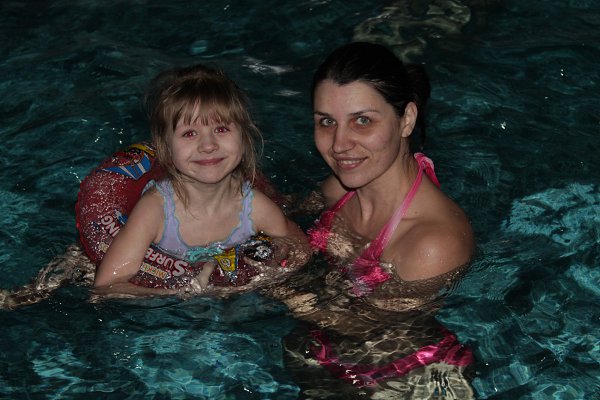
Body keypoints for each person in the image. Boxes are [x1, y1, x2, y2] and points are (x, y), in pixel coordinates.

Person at [271, 42, 475, 397]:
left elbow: (366, 327)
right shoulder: (339, 189)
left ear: (406, 120)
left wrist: (274, 283)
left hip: (404, 379)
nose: (339, 144)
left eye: (362, 121)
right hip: (322, 356)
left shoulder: (432, 243)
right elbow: (282, 209)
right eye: (326, 122)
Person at [93, 64, 310, 297]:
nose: (208, 145)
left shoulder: (256, 209)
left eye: (221, 129)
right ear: (166, 147)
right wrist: (177, 294)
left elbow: (299, 249)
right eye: (189, 133)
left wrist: (264, 276)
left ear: (244, 138)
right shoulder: (155, 211)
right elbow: (107, 284)